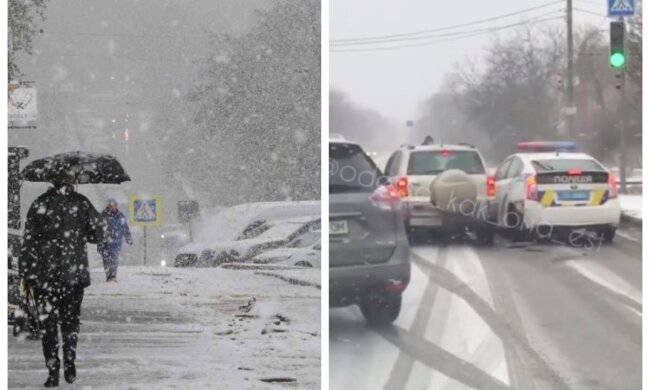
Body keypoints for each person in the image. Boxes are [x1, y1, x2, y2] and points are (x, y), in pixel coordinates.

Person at [19, 172, 105, 387]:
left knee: (47, 326)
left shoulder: (40, 204)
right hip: (72, 277)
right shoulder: (81, 203)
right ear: (71, 180)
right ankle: (69, 358)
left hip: (44, 277)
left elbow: (28, 241)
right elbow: (98, 234)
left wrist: (26, 276)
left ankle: (52, 369)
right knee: (70, 322)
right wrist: (85, 230)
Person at [98, 199, 132, 282]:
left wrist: (128, 238)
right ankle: (108, 275)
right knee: (106, 259)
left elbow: (125, 228)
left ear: (116, 206)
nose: (111, 208)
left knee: (114, 258)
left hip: (116, 242)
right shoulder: (102, 216)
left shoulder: (120, 216)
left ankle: (113, 275)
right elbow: (97, 229)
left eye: (113, 206)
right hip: (104, 242)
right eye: (110, 206)